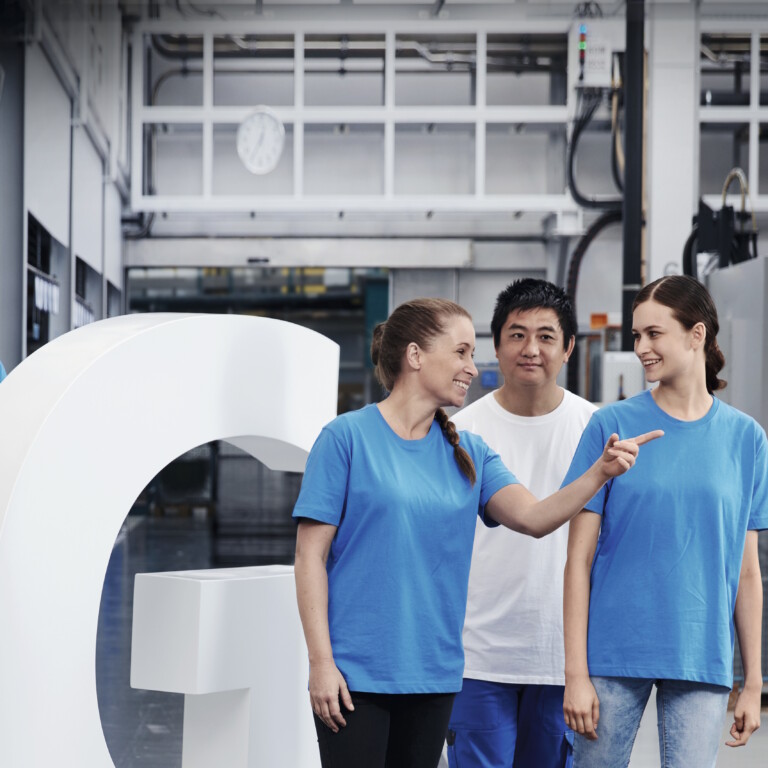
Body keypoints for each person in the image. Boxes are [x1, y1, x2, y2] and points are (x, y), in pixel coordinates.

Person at [292, 297, 661, 768]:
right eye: (462, 352)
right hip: (354, 679)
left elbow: (536, 519)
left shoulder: (469, 450)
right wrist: (321, 662)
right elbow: (309, 558)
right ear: (415, 355)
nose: (472, 366)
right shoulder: (345, 439)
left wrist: (600, 473)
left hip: (436, 677)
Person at [562, 275, 767, 768]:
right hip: (611, 654)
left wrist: (754, 680)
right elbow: (577, 560)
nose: (641, 348)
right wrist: (575, 674)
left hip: (701, 652)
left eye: (654, 334)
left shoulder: (746, 439)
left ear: (696, 335)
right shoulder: (609, 427)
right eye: (636, 336)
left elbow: (746, 572)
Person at [447, 279, 596, 768]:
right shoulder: (461, 432)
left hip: (562, 654)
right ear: (497, 345)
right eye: (517, 335)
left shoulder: (596, 430)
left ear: (569, 347)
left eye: (546, 336)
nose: (530, 349)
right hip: (478, 654)